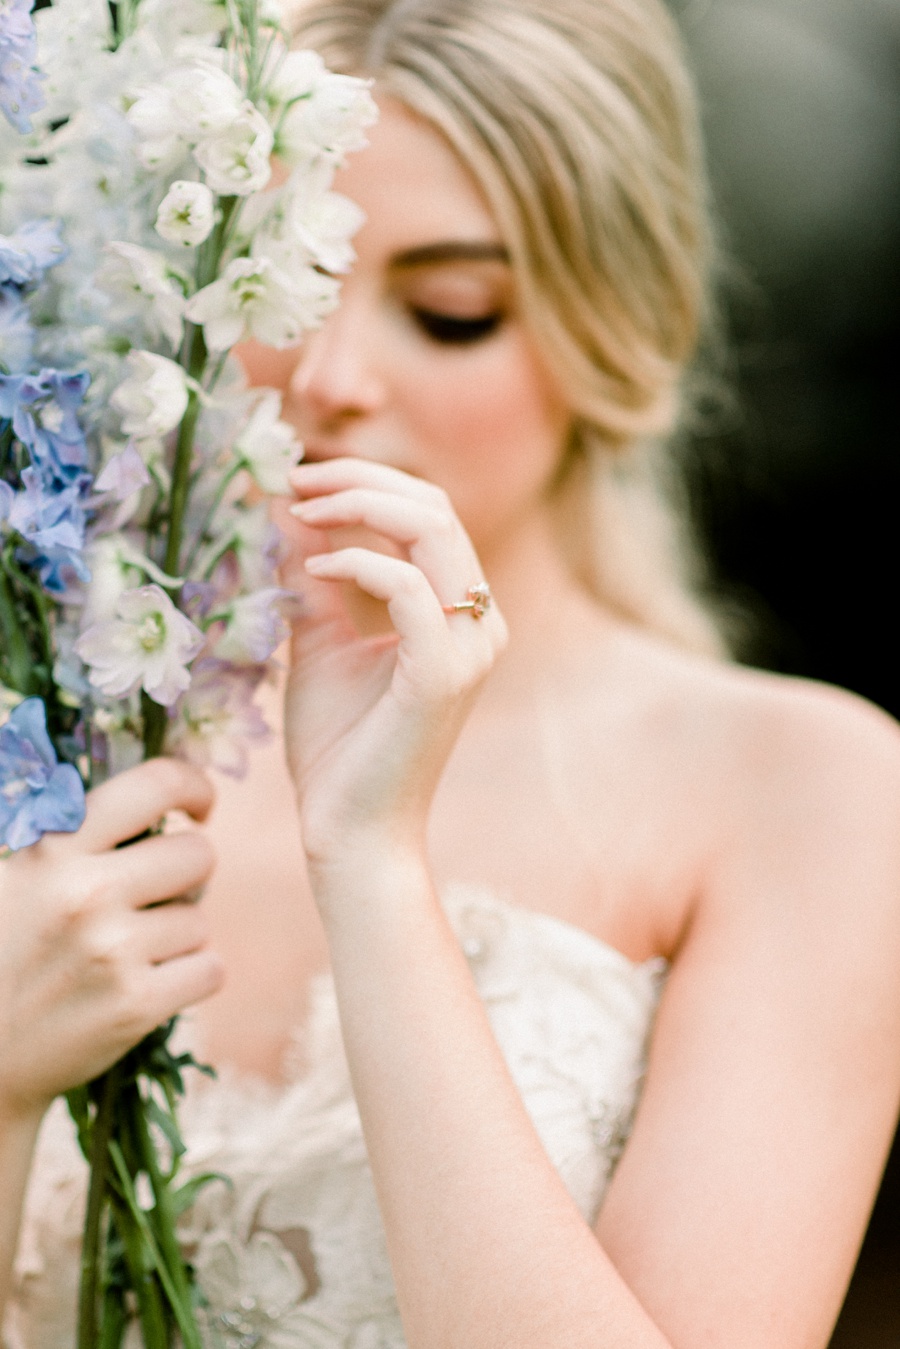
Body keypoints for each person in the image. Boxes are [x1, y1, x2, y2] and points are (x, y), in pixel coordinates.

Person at [3, 0, 900, 1344]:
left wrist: (369, 862)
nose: (335, 378)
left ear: (620, 327)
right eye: (275, 279)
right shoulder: (54, 740)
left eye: (449, 310)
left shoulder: (809, 794)